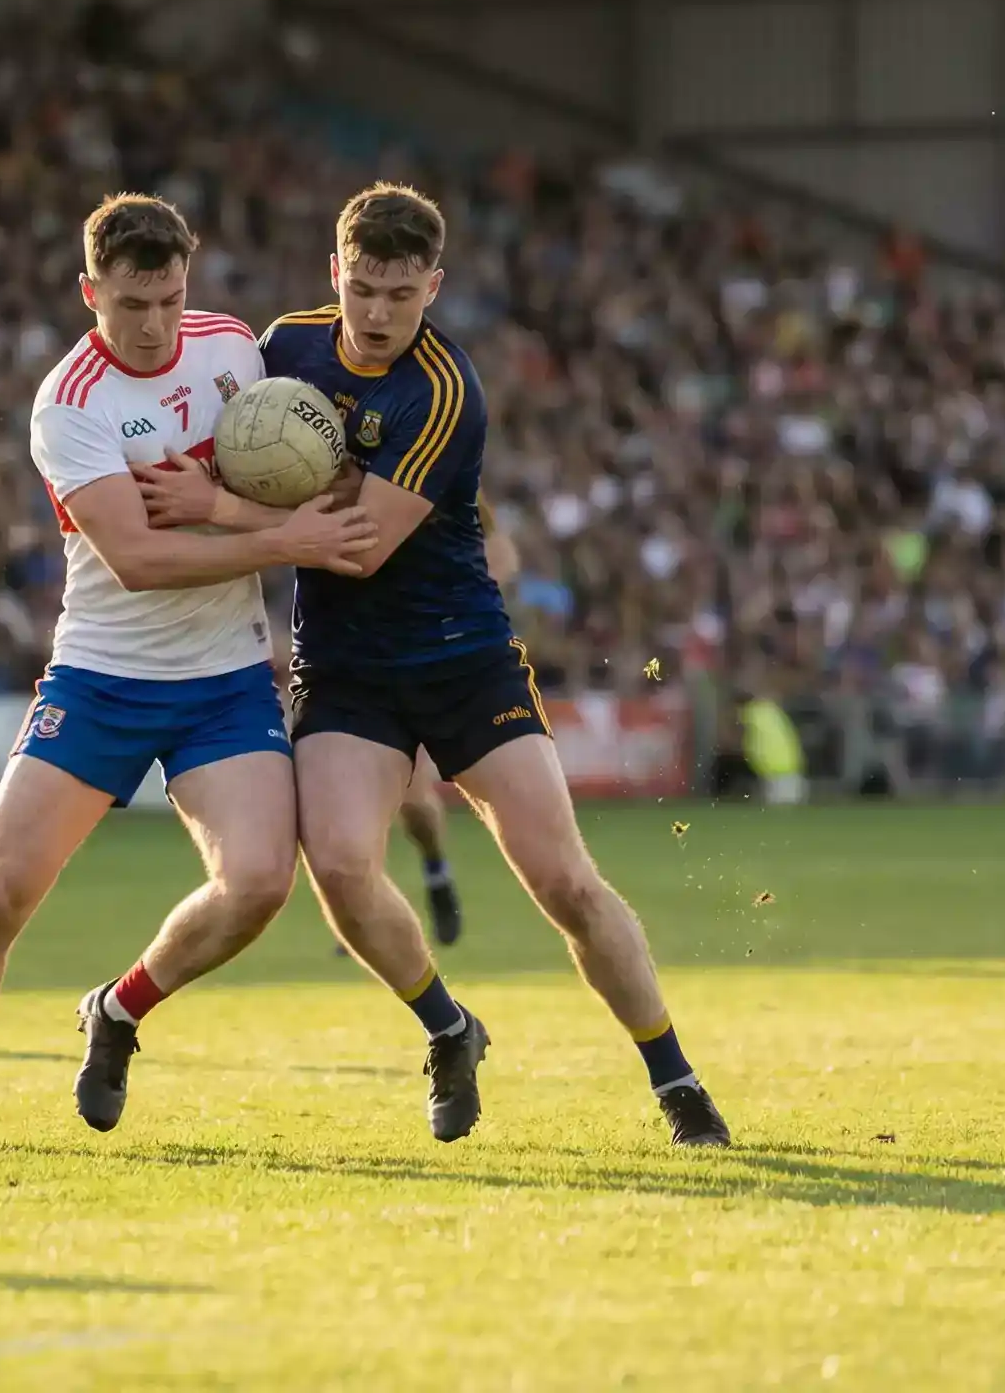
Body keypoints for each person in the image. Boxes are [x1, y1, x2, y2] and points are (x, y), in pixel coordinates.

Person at [0, 194, 377, 1151]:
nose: (153, 325)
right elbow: (139, 558)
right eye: (131, 304)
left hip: (221, 681)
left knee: (259, 881)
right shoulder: (70, 403)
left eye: (170, 299)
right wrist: (280, 536)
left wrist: (245, 507)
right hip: (101, 677)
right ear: (90, 292)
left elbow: (306, 484)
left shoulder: (235, 351)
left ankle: (120, 1009)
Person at [250, 183, 730, 1147]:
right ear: (334, 274)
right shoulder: (283, 350)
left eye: (402, 294)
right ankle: (449, 1028)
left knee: (566, 884)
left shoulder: (444, 390)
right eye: (364, 291)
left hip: (464, 659)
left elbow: (360, 547)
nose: (380, 314)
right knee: (339, 865)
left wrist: (238, 514)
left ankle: (676, 1081)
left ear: (436, 285)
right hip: (346, 667)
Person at [387, 497, 518, 948]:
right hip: (367, 661)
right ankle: (360, 902)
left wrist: (463, 599)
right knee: (368, 800)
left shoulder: (439, 467)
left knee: (416, 805)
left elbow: (502, 553)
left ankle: (436, 870)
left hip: (439, 661)